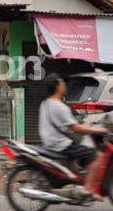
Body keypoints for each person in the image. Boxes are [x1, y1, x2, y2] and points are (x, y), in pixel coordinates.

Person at [39, 73, 108, 201]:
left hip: (49, 142)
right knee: (98, 156)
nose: (64, 85)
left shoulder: (46, 104)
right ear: (57, 86)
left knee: (79, 156)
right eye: (62, 83)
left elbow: (67, 124)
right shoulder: (59, 106)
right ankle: (88, 190)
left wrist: (84, 124)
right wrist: (96, 130)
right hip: (60, 144)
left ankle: (74, 184)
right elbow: (76, 129)